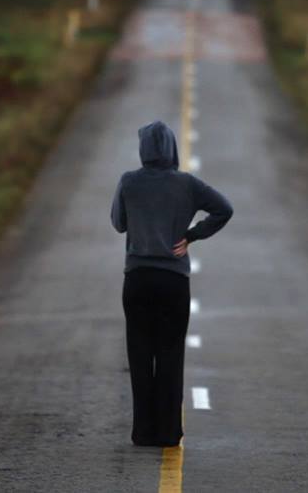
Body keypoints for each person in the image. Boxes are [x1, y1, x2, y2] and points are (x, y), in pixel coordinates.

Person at [110, 120, 233, 447]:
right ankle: (167, 432)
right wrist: (192, 235)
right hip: (173, 281)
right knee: (170, 353)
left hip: (137, 279)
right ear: (172, 148)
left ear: (143, 150)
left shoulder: (129, 182)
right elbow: (224, 209)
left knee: (139, 353)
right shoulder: (187, 184)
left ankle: (143, 432)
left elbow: (118, 224)